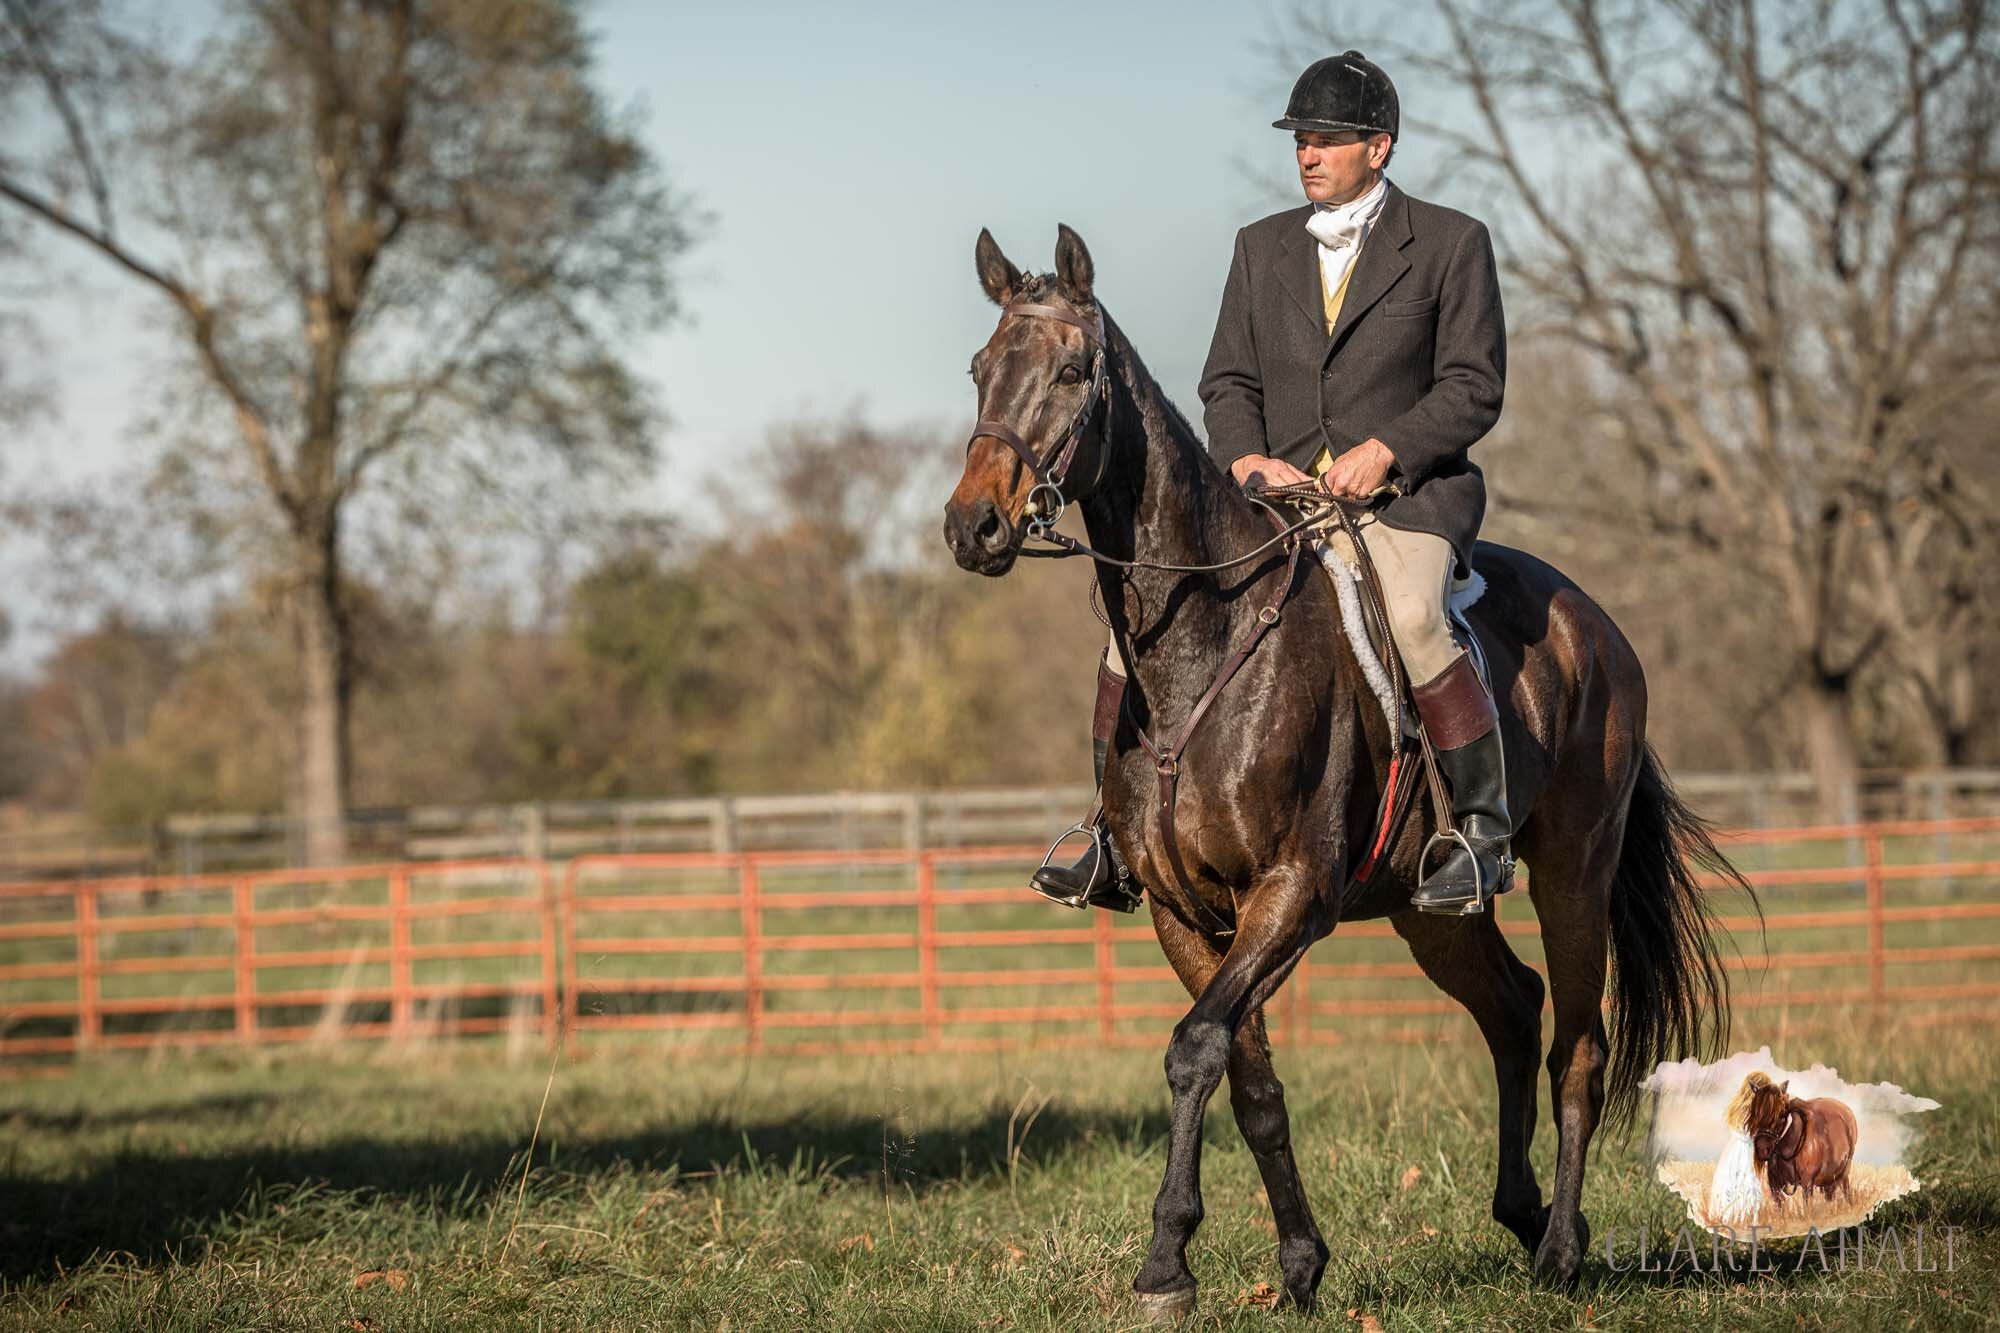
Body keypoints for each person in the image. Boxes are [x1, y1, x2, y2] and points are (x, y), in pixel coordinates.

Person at [1030, 50, 1512, 917]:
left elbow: (1474, 385)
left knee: (1411, 616)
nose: (1308, 153)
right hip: (1279, 503)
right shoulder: (1260, 248)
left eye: (1327, 138)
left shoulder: (1451, 243)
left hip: (1405, 502)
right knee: (1130, 619)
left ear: (1381, 146)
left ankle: (1480, 831)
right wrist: (1247, 458)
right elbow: (1227, 381)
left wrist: (1389, 451)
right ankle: (1110, 830)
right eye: (1301, 140)